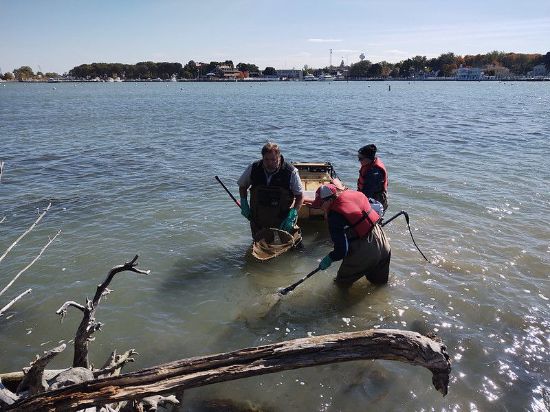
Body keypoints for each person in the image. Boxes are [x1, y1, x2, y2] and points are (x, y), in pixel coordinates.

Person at [311, 183, 391, 286]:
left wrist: (330, 258)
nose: (321, 208)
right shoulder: (353, 194)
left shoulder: (334, 217)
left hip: (365, 250)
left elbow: (342, 251)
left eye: (321, 204)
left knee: (340, 285)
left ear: (330, 201)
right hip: (383, 241)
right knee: (379, 286)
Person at [238, 142, 304, 240]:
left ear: (279, 157)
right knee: (260, 243)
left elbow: (300, 196)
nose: (270, 163)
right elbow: (242, 186)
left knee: (292, 244)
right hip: (258, 218)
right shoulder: (254, 168)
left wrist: (293, 213)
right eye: (266, 160)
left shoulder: (290, 172)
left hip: (283, 218)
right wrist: (244, 204)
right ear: (262, 157)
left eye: (273, 159)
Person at [357, 144, 388, 213]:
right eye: (358, 158)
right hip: (371, 196)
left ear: (369, 158)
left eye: (361, 158)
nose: (359, 160)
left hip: (376, 201)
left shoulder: (374, 174)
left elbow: (367, 194)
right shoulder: (370, 164)